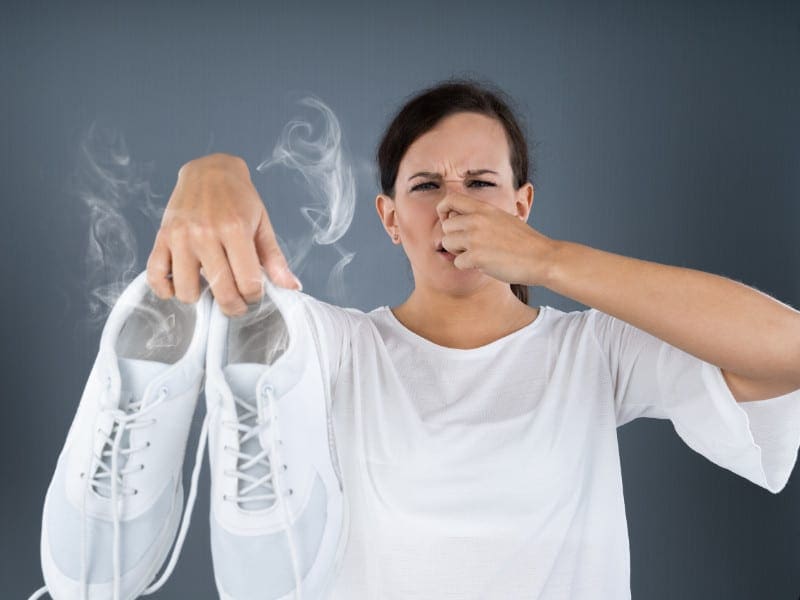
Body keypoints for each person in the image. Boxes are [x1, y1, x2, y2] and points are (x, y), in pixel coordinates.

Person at [146, 78, 800, 599]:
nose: (452, 206)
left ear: (522, 206)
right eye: (425, 186)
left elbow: (787, 349)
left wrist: (548, 261)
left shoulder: (593, 352)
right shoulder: (338, 346)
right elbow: (231, 298)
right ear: (391, 218)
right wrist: (213, 171)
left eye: (481, 183)